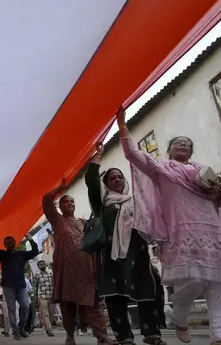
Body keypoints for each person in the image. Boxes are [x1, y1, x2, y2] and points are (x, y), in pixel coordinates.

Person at [117, 108, 221, 345]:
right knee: (193, 280)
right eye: (177, 143)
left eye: (186, 143)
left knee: (219, 283)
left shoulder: (206, 173)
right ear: (169, 150)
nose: (182, 145)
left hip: (213, 231)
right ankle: (180, 317)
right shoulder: (161, 169)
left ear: (191, 151)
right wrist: (122, 124)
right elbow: (132, 153)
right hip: (182, 232)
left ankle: (220, 337)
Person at [86, 143, 163, 345]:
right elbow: (91, 181)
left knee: (148, 290)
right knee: (116, 297)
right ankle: (124, 337)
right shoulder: (102, 204)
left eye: (120, 177)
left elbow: (152, 220)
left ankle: (152, 334)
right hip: (113, 258)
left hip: (138, 255)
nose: (117, 180)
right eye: (112, 178)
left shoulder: (135, 200)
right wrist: (98, 156)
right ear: (106, 184)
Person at [42, 186, 115, 345]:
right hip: (67, 271)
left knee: (94, 304)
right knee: (68, 305)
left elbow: (95, 243)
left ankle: (102, 337)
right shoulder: (58, 221)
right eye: (65, 202)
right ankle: (70, 336)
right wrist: (59, 188)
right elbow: (46, 200)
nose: (69, 204)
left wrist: (97, 267)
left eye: (72, 201)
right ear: (60, 207)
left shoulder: (84, 222)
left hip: (86, 269)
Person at [0, 227, 39, 340]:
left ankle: (21, 328)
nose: (9, 243)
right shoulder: (2, 255)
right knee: (12, 309)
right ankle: (15, 332)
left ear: (15, 243)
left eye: (11, 242)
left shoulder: (22, 254)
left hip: (21, 286)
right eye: (7, 242)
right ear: (5, 245)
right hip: (8, 286)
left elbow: (34, 251)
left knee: (25, 306)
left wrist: (30, 239)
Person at [34, 260, 55, 337]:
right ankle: (49, 330)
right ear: (38, 266)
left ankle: (48, 327)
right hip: (42, 297)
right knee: (45, 314)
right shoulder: (37, 275)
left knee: (51, 314)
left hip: (51, 296)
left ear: (45, 265)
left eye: (43, 264)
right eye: (40, 264)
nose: (42, 265)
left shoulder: (50, 273)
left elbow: (54, 284)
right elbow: (35, 287)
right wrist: (36, 298)